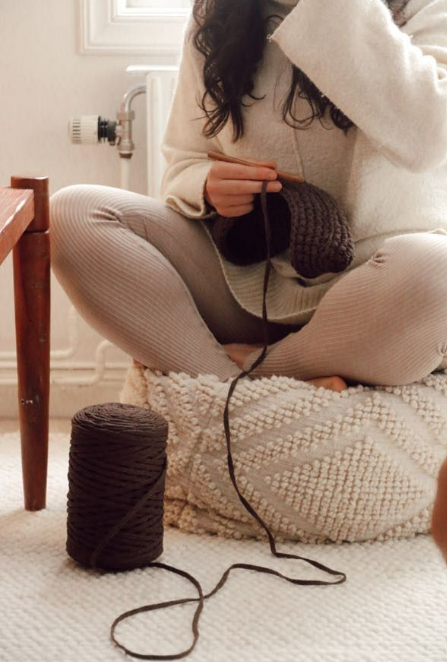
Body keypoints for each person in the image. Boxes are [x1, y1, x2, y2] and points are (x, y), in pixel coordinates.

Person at [49, 0, 447, 551]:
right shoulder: (216, 11)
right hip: (247, 282)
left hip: (374, 295)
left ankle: (255, 371)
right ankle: (255, 378)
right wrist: (207, 184)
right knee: (73, 213)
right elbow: (182, 161)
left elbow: (428, 136)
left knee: (438, 273)